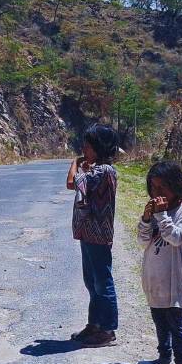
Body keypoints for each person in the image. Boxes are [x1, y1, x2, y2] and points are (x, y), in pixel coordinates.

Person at [136, 161, 182, 364]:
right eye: (153, 188)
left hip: (174, 278)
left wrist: (162, 216)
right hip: (154, 277)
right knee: (159, 321)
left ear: (176, 185)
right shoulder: (155, 211)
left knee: (176, 322)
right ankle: (164, 358)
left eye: (162, 188)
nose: (157, 193)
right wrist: (146, 219)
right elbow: (143, 242)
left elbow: (176, 238)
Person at [66, 124, 122, 347]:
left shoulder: (104, 171)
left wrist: (75, 163)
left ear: (99, 148)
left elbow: (72, 183)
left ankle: (107, 329)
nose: (84, 149)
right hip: (88, 233)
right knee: (92, 281)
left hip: (97, 234)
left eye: (88, 145)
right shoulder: (97, 170)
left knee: (102, 281)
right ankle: (95, 324)